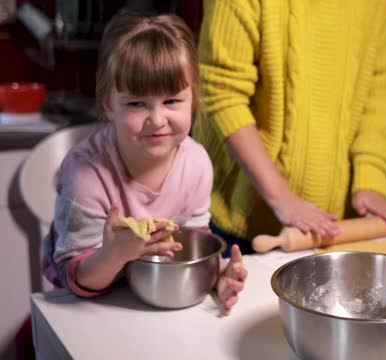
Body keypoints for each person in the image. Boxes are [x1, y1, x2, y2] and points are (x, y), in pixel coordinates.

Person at [42, 13, 247, 315]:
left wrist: (216, 277)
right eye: (137, 103)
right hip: (93, 303)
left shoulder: (197, 163)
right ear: (108, 105)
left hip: (157, 291)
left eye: (172, 101)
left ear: (193, 99)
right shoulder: (85, 172)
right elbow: (74, 277)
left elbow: (190, 245)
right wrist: (115, 255)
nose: (157, 119)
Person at [193, 0, 386, 251]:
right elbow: (223, 95)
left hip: (332, 227)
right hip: (240, 220)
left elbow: (382, 93)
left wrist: (371, 181)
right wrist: (283, 199)